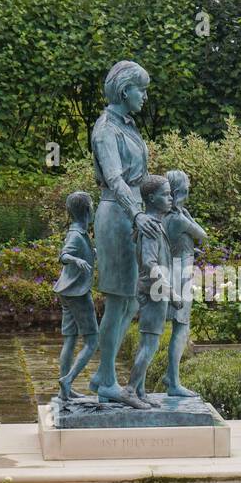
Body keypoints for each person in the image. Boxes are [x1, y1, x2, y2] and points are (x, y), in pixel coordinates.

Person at [88, 60, 164, 409]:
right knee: (118, 300)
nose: (145, 96)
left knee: (132, 300)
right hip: (117, 215)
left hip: (134, 214)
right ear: (124, 92)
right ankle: (108, 381)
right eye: (141, 89)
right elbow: (115, 178)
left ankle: (104, 377)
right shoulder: (106, 129)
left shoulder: (128, 127)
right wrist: (135, 212)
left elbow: (138, 177)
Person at [128, 175, 176, 402]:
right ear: (151, 198)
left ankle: (139, 391)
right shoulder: (151, 227)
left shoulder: (154, 224)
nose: (171, 198)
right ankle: (130, 391)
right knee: (149, 345)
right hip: (153, 291)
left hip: (154, 290)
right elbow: (149, 262)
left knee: (148, 343)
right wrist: (170, 291)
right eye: (166, 194)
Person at [164, 169, 206, 397]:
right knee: (181, 328)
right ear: (182, 189)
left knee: (178, 327)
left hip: (172, 268)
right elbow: (203, 234)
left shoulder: (164, 216)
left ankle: (171, 376)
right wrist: (188, 216)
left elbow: (177, 244)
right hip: (180, 274)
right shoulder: (179, 218)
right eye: (188, 182)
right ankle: (174, 381)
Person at [53, 191, 97, 400]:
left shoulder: (79, 232)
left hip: (66, 291)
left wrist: (92, 253)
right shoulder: (76, 235)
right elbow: (64, 255)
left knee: (70, 339)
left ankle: (65, 391)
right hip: (77, 293)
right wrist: (76, 260)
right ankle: (68, 380)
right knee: (92, 341)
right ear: (88, 210)